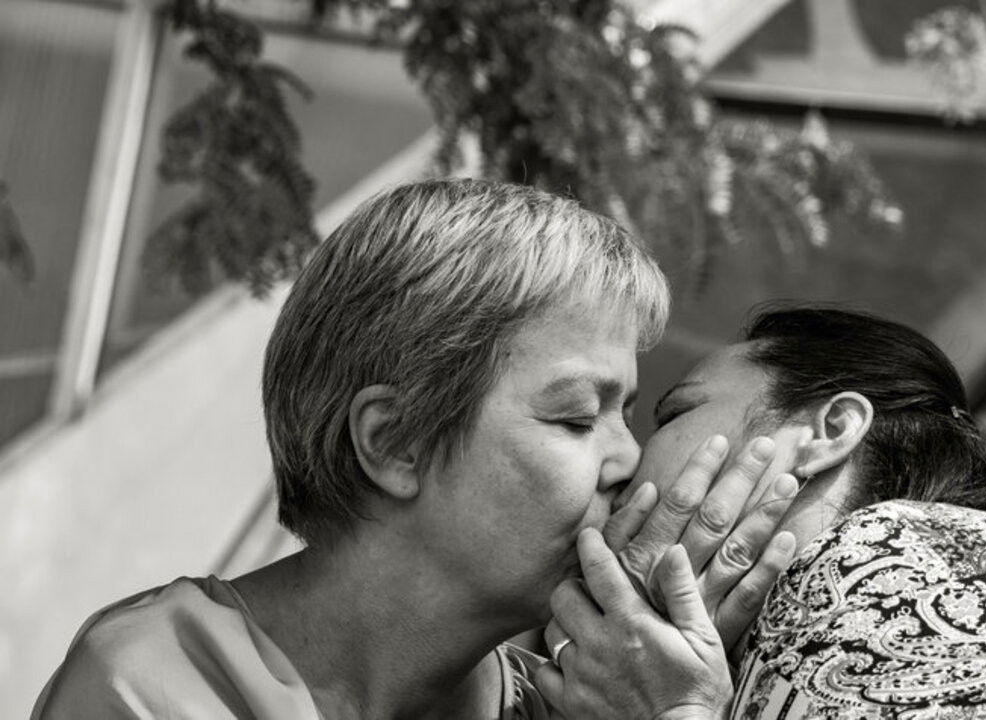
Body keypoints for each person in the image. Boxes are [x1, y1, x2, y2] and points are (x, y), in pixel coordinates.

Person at [31, 179, 796, 719]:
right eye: (574, 418)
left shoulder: (577, 705)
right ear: (393, 443)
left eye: (625, 414)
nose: (629, 461)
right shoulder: (160, 683)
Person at [539, 307, 986, 719]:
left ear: (829, 430)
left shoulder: (887, 552)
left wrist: (673, 710)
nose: (631, 459)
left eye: (674, 414)